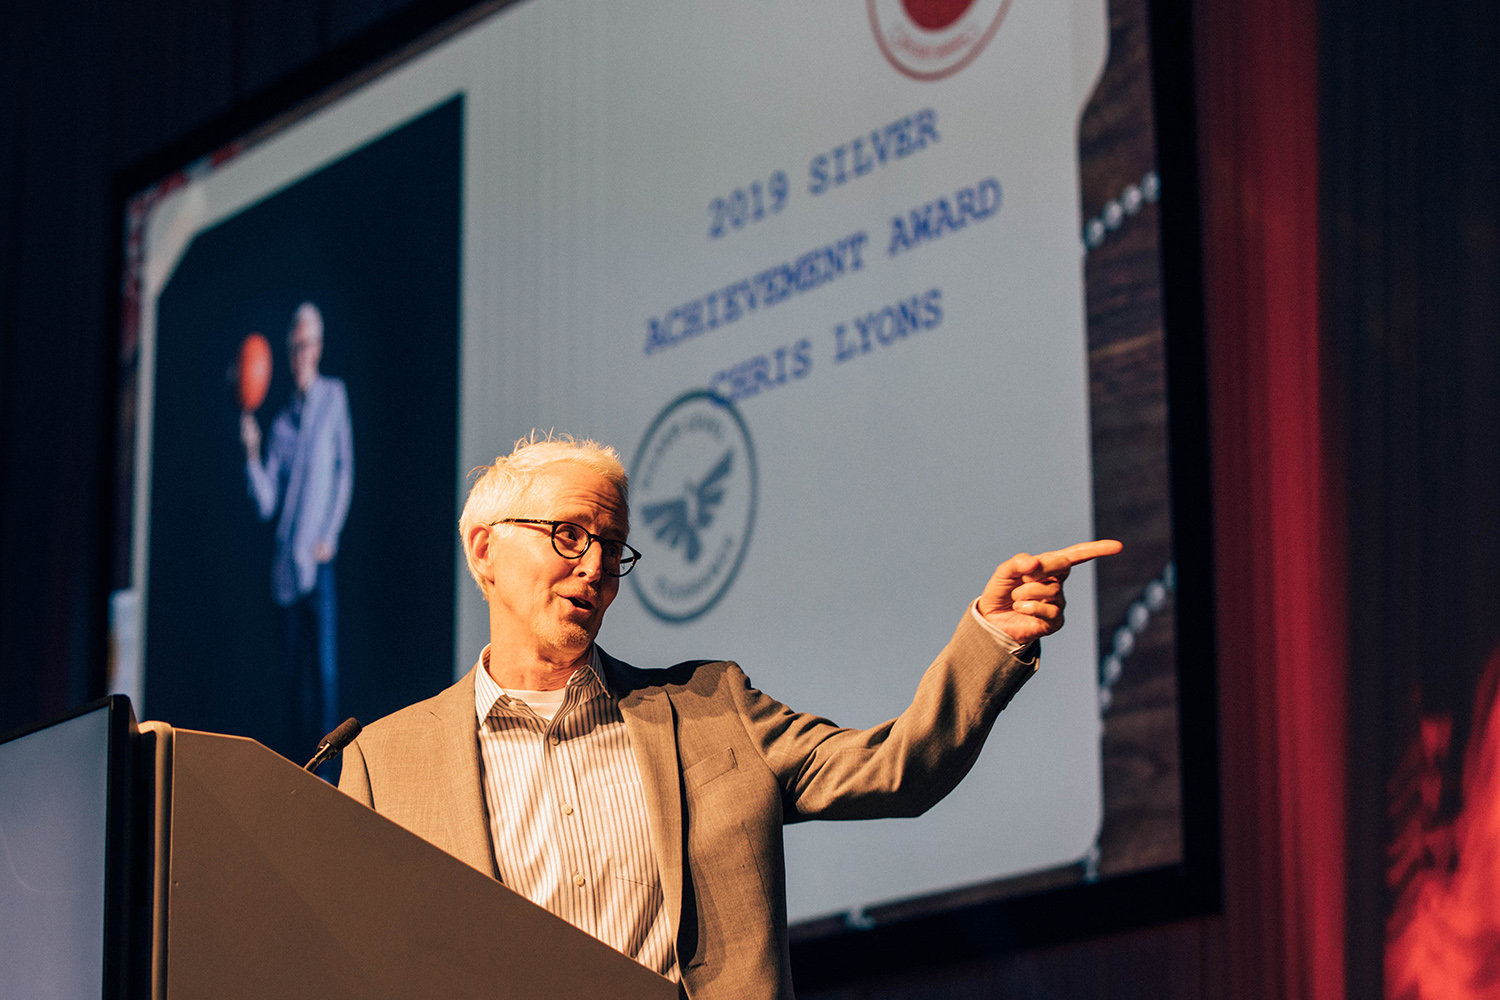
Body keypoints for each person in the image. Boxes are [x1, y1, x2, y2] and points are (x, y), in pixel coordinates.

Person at [338, 434, 1118, 1000]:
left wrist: (991, 636)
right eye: (569, 536)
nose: (594, 569)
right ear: (483, 551)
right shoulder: (387, 761)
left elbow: (897, 769)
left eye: (612, 549)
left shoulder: (711, 712)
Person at [240, 302, 354, 755]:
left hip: (319, 562)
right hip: (287, 569)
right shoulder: (282, 422)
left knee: (325, 677)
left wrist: (332, 533)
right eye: (293, 348)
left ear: (319, 347)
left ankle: (328, 778)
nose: (300, 355)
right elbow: (267, 502)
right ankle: (294, 772)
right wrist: (251, 453)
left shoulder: (334, 397)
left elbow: (345, 470)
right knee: (292, 681)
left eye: (306, 345)